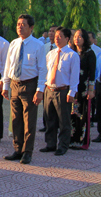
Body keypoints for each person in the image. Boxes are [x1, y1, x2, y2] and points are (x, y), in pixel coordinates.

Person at [2, 14, 47, 165]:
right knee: (16, 119)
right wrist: (6, 84)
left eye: (23, 24)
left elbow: (42, 68)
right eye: (18, 24)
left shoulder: (38, 45)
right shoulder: (13, 44)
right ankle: (17, 149)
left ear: (31, 27)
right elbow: (8, 66)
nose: (20, 27)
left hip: (30, 85)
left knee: (29, 120)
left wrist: (40, 90)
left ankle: (27, 152)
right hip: (14, 83)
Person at [40, 27, 79, 156]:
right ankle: (50, 144)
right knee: (49, 119)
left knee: (64, 120)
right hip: (49, 89)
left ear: (67, 39)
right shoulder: (50, 54)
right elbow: (45, 72)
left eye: (60, 36)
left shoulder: (72, 55)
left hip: (63, 90)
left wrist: (72, 92)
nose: (56, 38)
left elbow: (74, 76)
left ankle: (63, 145)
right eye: (55, 36)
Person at [70, 29, 96, 150]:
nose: (77, 38)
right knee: (72, 114)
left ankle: (82, 141)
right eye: (75, 36)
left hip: (84, 89)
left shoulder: (90, 54)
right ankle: (71, 138)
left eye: (80, 36)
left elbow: (92, 73)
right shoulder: (72, 52)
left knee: (83, 114)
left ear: (85, 38)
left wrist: (91, 89)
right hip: (73, 89)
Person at [40, 25, 58, 132]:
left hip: (56, 82)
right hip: (45, 80)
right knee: (46, 105)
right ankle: (46, 124)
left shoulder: (59, 48)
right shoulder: (45, 46)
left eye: (54, 31)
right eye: (50, 31)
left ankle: (56, 125)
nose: (51, 33)